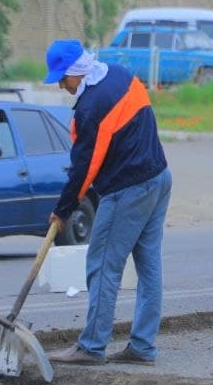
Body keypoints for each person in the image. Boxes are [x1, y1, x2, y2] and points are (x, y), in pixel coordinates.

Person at [42, 39, 172, 365]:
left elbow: (85, 166)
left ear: (75, 71)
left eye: (62, 77)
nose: (60, 84)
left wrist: (63, 210)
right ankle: (142, 347)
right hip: (159, 177)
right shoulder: (119, 75)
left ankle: (92, 346)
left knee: (102, 265)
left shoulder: (91, 106)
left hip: (128, 189)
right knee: (149, 266)